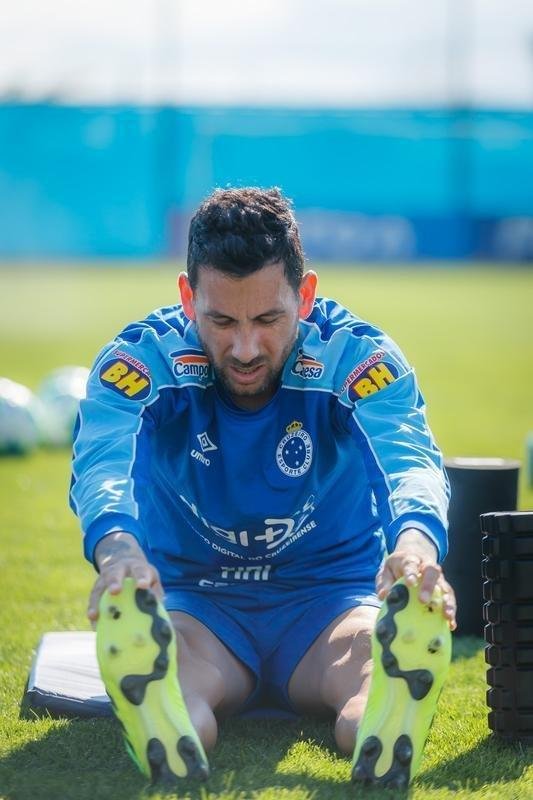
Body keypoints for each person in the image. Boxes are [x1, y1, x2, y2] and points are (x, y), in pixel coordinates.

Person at [70, 186, 456, 788]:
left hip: (329, 602)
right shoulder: (143, 360)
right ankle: (164, 717)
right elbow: (103, 459)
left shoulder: (355, 356)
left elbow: (408, 458)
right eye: (220, 320)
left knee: (364, 684)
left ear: (305, 295)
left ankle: (382, 719)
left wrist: (415, 547)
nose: (245, 347)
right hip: (201, 603)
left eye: (269, 319)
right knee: (185, 699)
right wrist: (118, 548)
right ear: (186, 295)